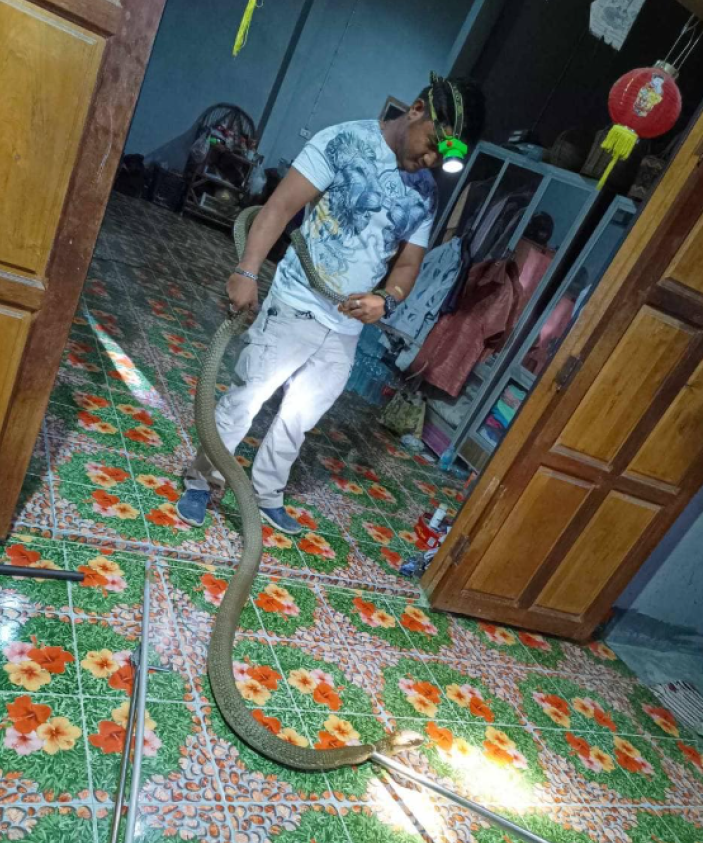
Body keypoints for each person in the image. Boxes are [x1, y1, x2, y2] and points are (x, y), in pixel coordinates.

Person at [177, 74, 483, 533]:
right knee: (248, 395)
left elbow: (407, 265)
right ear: (417, 109)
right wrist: (247, 271)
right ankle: (203, 479)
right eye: (433, 146)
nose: (431, 160)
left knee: (300, 415)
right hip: (297, 300)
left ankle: (265, 492)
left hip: (346, 325)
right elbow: (279, 208)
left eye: (445, 157)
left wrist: (387, 299)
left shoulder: (425, 191)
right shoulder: (343, 141)